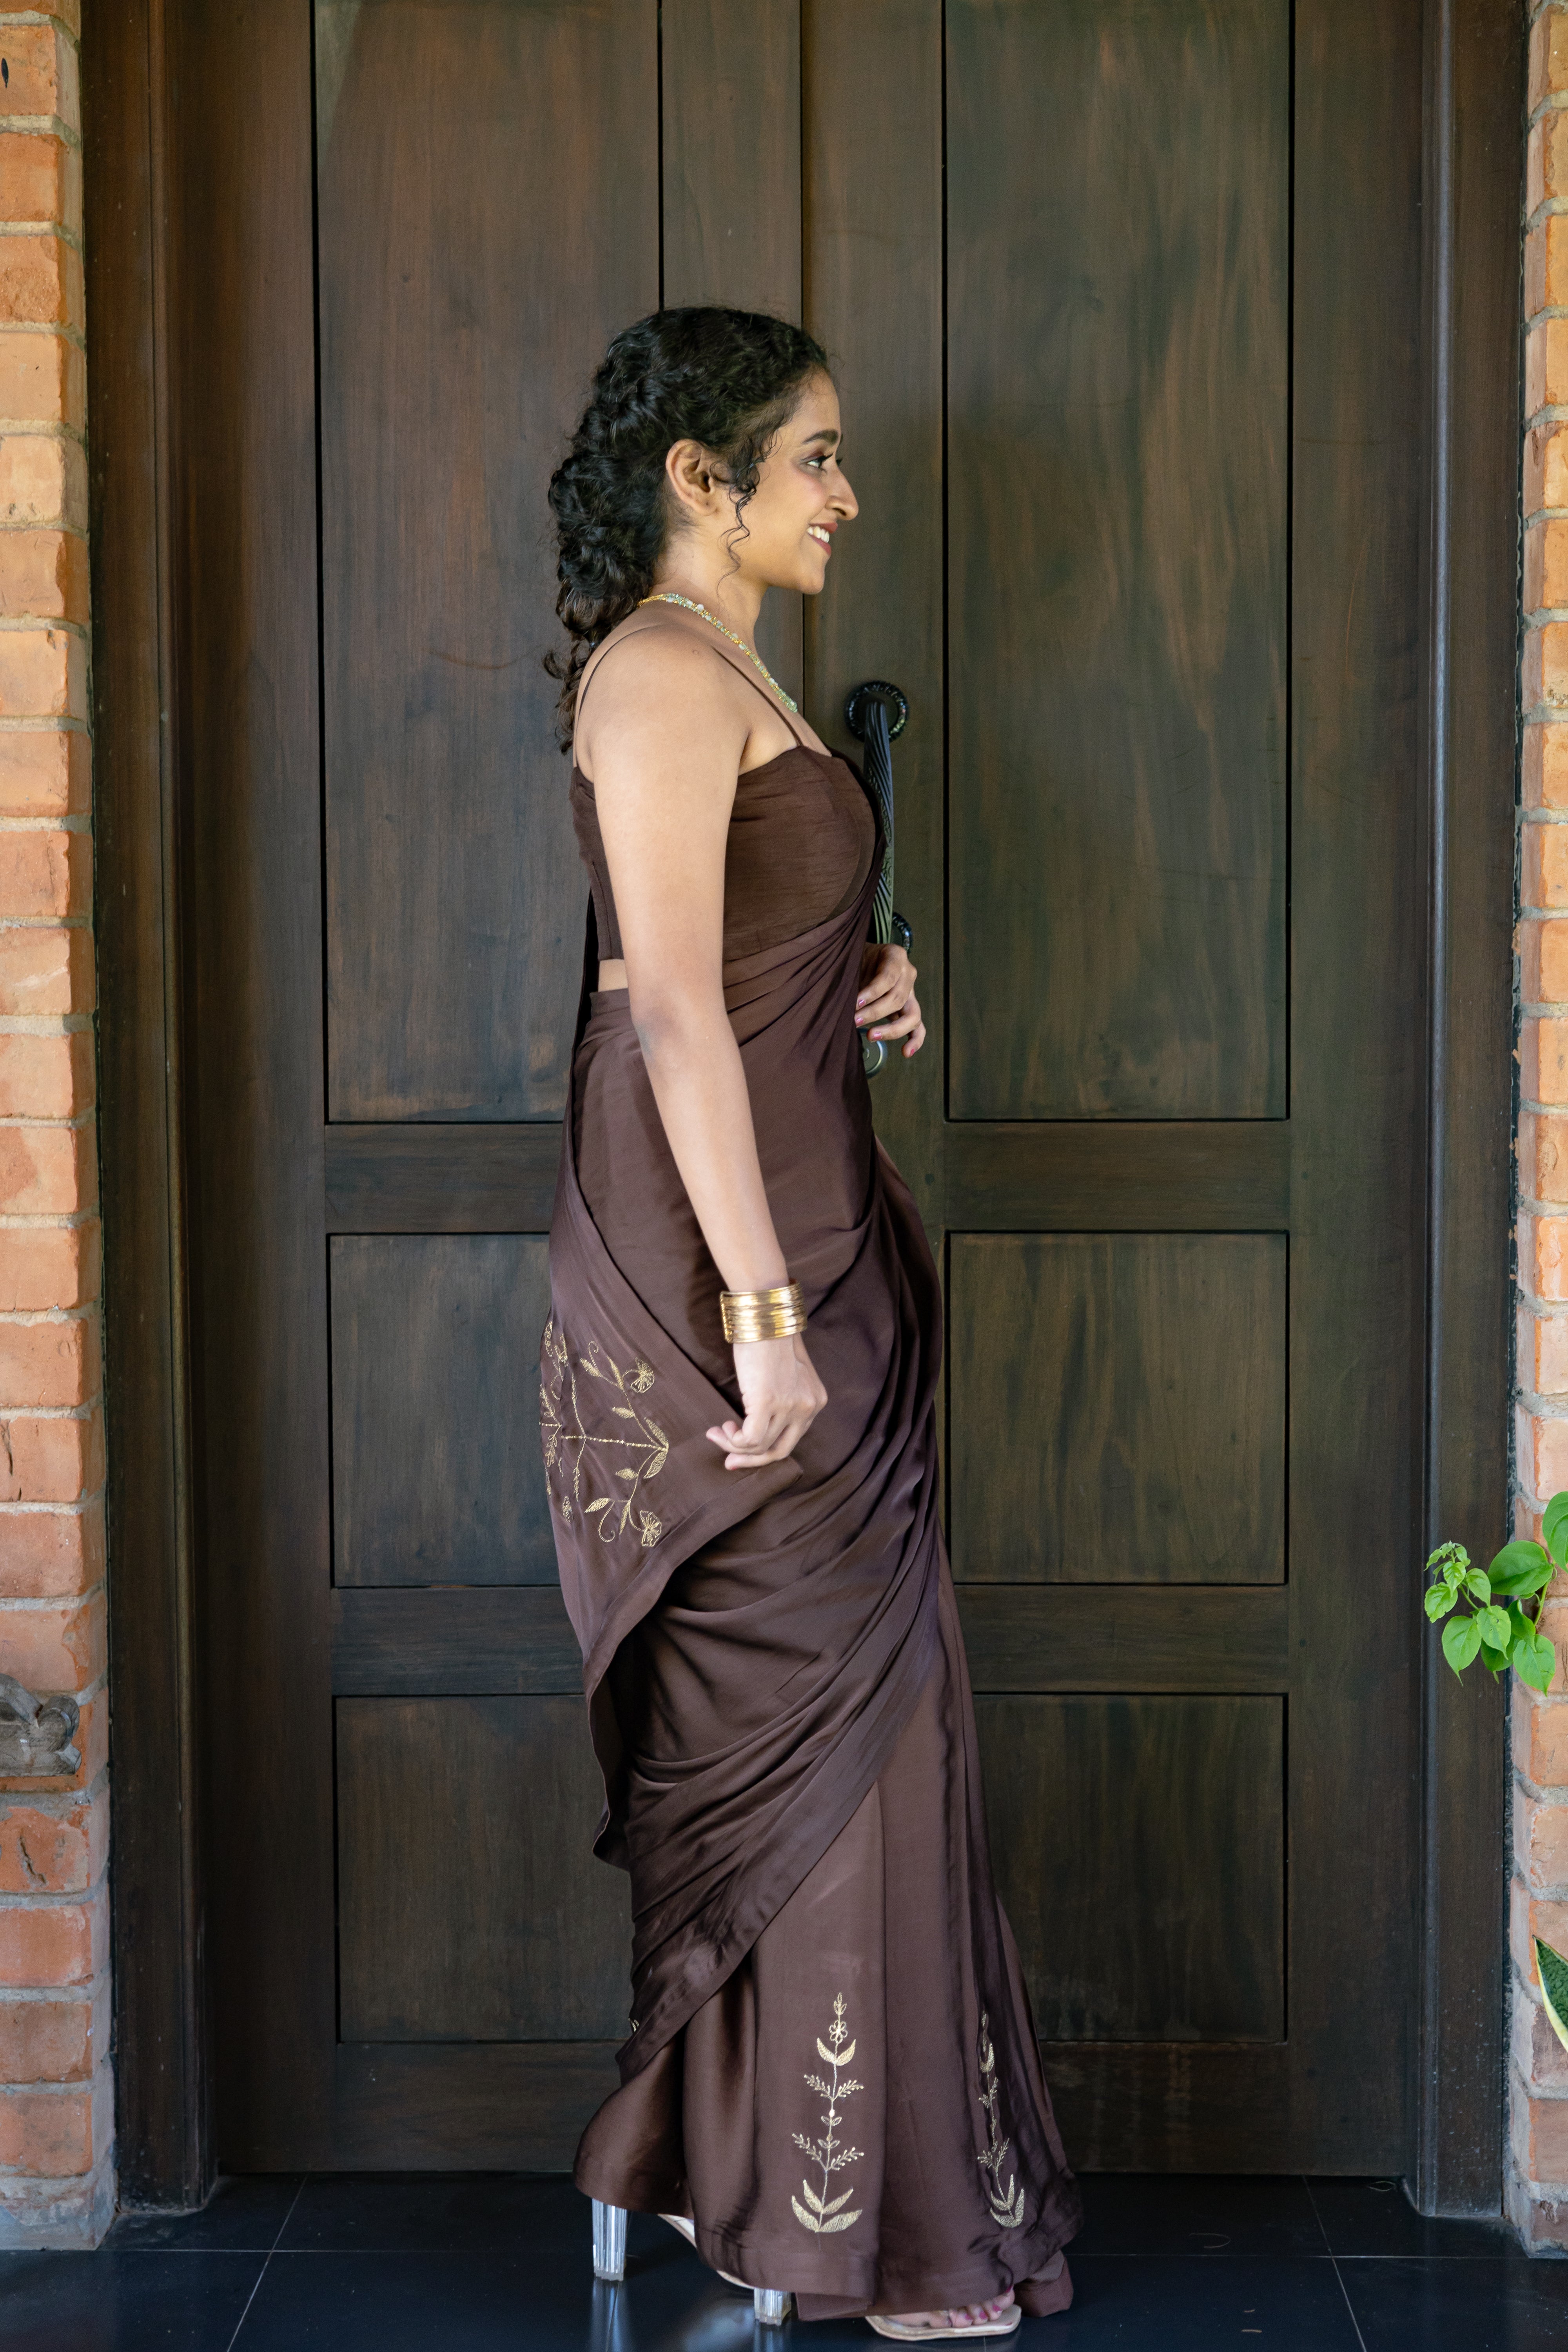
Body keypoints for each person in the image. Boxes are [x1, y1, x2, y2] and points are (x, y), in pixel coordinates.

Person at [540, 307, 1081, 2338]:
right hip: (719, 1276)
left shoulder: (739, 664)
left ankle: (790, 2195)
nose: (846, 494)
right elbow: (672, 1010)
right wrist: (763, 1321)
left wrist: (863, 974)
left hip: (804, 1221)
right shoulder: (661, 674)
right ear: (706, 477)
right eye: (817, 456)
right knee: (823, 1713)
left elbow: (748, 952)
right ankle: (834, 2220)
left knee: (881, 1704)